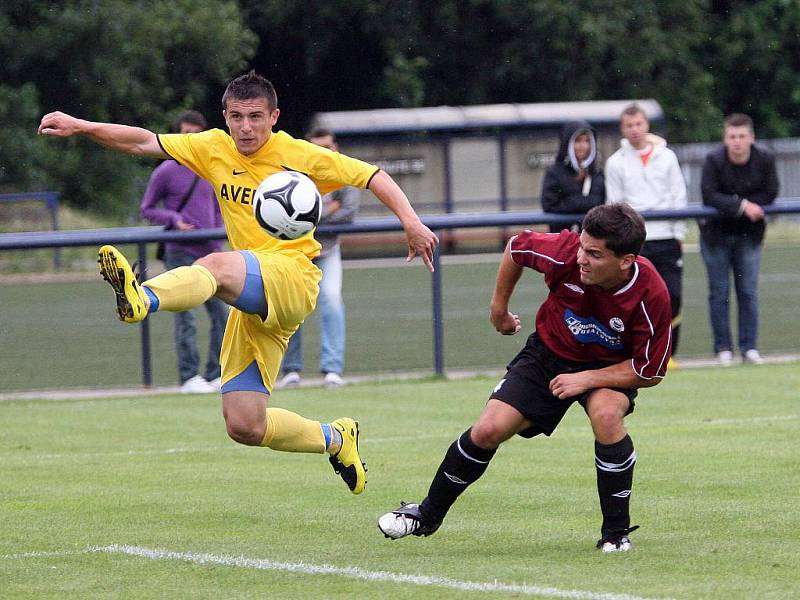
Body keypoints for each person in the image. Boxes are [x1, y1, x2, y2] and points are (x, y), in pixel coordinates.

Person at [38, 70, 438, 497]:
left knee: (216, 264)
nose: (246, 127)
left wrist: (411, 222)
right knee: (245, 424)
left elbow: (373, 176)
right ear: (225, 117)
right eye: (237, 117)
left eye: (256, 117)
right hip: (253, 296)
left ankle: (145, 297)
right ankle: (337, 439)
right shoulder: (213, 146)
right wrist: (81, 126)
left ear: (274, 117)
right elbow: (142, 141)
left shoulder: (299, 154)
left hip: (293, 277)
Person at [378, 203, 672, 552]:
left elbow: (649, 371)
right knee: (488, 429)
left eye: (594, 254)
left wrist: (587, 379)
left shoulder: (651, 293)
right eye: (581, 246)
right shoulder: (566, 254)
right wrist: (498, 309)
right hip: (548, 355)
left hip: (609, 368)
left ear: (625, 261)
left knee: (606, 416)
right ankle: (425, 515)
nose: (581, 258)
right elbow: (516, 247)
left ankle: (615, 534)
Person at [140, 110, 228, 394]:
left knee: (222, 315)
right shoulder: (166, 170)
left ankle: (215, 373)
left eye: (196, 134)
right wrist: (173, 220)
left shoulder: (211, 166)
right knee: (186, 315)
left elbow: (218, 206)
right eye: (185, 134)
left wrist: (220, 237)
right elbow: (147, 209)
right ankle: (189, 376)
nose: (190, 140)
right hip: (180, 251)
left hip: (211, 251)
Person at [605, 104, 687, 368]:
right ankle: (633, 352)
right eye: (629, 125)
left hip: (666, 238)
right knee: (631, 299)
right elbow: (614, 203)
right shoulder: (615, 162)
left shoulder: (667, 157)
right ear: (622, 129)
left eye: (639, 124)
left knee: (672, 295)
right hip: (635, 242)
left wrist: (678, 233)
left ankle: (669, 353)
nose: (635, 130)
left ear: (647, 125)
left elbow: (679, 195)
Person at [278, 129, 358, 389]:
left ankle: (332, 370)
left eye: (327, 146)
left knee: (332, 300)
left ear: (336, 147)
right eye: (317, 147)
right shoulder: (297, 175)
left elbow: (348, 211)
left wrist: (315, 213)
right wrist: (327, 209)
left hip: (329, 249)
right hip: (299, 251)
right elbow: (287, 214)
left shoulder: (344, 172)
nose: (324, 152)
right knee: (292, 307)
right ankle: (290, 370)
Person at [699, 113, 779, 366]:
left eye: (742, 136)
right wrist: (743, 205)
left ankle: (749, 347)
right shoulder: (713, 160)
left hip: (749, 235)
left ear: (751, 138)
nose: (737, 141)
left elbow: (771, 191)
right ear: (725, 138)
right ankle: (723, 348)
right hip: (716, 235)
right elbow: (709, 194)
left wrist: (745, 205)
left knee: (748, 292)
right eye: (732, 136)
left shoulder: (765, 158)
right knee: (718, 292)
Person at [540, 120, 605, 233]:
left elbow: (600, 201)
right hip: (562, 237)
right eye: (578, 141)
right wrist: (582, 202)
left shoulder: (597, 172)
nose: (583, 146)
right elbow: (549, 205)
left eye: (587, 141)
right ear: (568, 143)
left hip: (591, 237)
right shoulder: (554, 172)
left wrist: (573, 202)